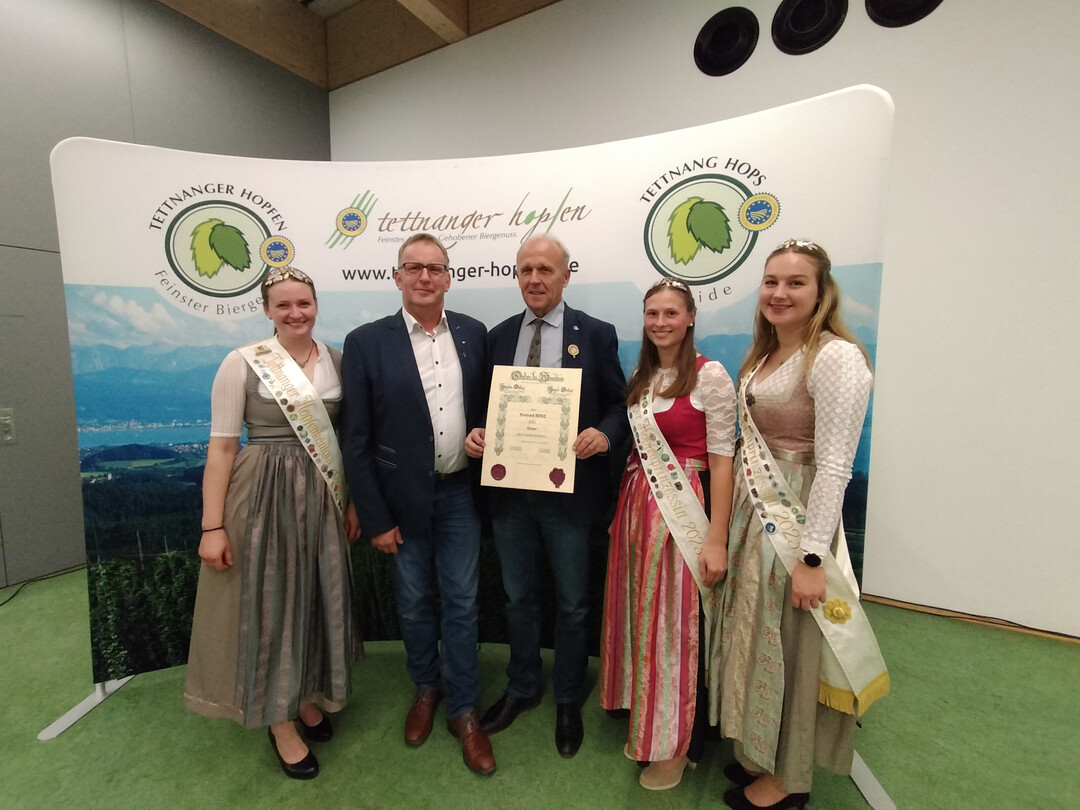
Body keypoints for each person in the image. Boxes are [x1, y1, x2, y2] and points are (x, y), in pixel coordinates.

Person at [710, 239, 888, 810]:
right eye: (771, 282)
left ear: (821, 291)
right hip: (753, 518)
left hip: (797, 522)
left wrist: (813, 558)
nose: (779, 293)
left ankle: (789, 778)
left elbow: (836, 464)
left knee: (793, 647)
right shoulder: (764, 355)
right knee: (759, 640)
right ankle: (762, 750)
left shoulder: (835, 357)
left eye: (795, 283)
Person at [184, 266, 361, 780]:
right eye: (283, 305)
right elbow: (221, 448)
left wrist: (353, 503)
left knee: (314, 596)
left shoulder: (339, 361)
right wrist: (211, 527)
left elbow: (349, 440)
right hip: (262, 494)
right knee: (271, 602)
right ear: (267, 311)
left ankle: (304, 693)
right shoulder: (240, 364)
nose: (295, 313)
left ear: (315, 304)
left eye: (303, 303)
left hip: (325, 494)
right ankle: (279, 721)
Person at [466, 234, 628, 758]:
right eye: (525, 270)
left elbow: (619, 404)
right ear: (517, 275)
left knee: (575, 604)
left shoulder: (596, 334)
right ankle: (522, 686)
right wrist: (475, 435)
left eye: (545, 270)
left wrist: (604, 435)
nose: (534, 279)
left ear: (565, 276)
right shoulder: (498, 336)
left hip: (569, 496)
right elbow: (482, 408)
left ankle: (566, 696)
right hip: (511, 492)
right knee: (518, 597)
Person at [340, 233, 495, 776]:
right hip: (400, 501)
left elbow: (491, 410)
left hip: (460, 492)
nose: (425, 277)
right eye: (414, 268)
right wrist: (376, 516)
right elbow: (356, 438)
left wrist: (485, 435)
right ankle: (426, 689)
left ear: (449, 276)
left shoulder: (474, 334)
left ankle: (465, 710)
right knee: (412, 603)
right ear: (398, 276)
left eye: (435, 268)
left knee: (462, 601)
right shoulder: (365, 342)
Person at [597, 277, 736, 790]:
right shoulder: (643, 374)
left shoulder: (711, 376)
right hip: (638, 511)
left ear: (691, 317)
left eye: (671, 313)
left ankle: (678, 744)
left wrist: (716, 538)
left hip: (686, 511)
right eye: (652, 313)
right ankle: (650, 715)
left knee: (678, 630)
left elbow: (723, 462)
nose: (660, 322)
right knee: (647, 620)